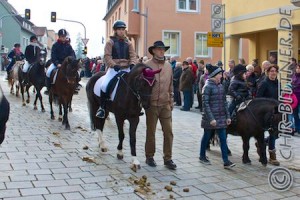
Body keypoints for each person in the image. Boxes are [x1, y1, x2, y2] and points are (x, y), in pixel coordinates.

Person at [144, 41, 177, 170]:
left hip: (165, 104)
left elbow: (170, 85)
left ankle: (168, 158)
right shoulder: (147, 65)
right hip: (152, 104)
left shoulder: (168, 66)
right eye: (159, 49)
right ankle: (149, 156)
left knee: (168, 132)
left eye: (163, 49)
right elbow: (143, 85)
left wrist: (171, 100)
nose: (161, 51)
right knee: (151, 132)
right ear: (153, 51)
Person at [94, 20, 137, 118]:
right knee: (104, 85)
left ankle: (136, 106)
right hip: (114, 69)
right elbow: (107, 56)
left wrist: (133, 64)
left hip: (126, 68)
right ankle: (102, 108)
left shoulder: (129, 43)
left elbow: (133, 55)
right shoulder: (110, 42)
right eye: (119, 29)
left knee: (136, 84)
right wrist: (113, 65)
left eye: (123, 29)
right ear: (115, 30)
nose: (121, 31)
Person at [199, 64, 235, 169]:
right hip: (210, 119)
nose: (222, 76)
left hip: (221, 118)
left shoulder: (221, 86)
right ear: (215, 75)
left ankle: (226, 161)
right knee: (206, 137)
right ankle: (202, 156)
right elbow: (205, 105)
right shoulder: (207, 87)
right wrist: (211, 119)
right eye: (220, 74)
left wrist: (228, 116)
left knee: (223, 139)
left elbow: (224, 103)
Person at [256, 64, 280, 166]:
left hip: (276, 112)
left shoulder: (278, 83)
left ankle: (263, 143)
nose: (273, 73)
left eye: (275, 71)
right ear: (268, 72)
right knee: (272, 132)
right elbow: (258, 98)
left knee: (277, 132)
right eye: (271, 71)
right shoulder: (264, 83)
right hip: (265, 113)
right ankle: (272, 156)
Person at [45, 29, 76, 94]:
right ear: (59, 37)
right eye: (62, 36)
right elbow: (53, 56)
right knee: (48, 72)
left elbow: (72, 53)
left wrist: (72, 60)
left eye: (64, 36)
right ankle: (49, 88)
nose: (63, 38)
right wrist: (57, 64)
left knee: (76, 72)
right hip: (57, 63)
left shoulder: (68, 45)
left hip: (67, 64)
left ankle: (75, 86)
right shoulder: (55, 45)